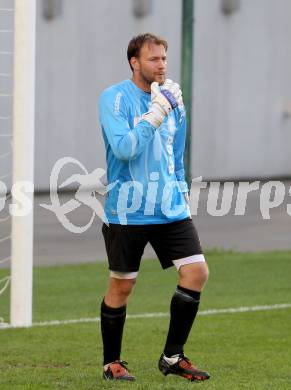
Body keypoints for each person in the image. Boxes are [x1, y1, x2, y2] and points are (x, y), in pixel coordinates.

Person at [98, 33, 210, 382]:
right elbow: (125, 149)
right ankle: (112, 363)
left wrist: (182, 196)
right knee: (122, 287)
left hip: (170, 209)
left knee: (197, 272)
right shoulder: (114, 98)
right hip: (128, 210)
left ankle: (173, 357)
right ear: (135, 62)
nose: (161, 65)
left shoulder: (173, 99)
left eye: (164, 58)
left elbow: (177, 156)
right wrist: (155, 113)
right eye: (153, 59)